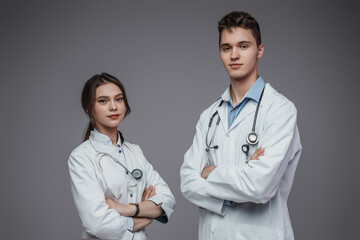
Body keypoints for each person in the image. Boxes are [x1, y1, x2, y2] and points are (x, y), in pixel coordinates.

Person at [180, 11, 302, 240]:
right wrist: (243, 176)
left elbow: (259, 186)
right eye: (226, 48)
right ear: (220, 53)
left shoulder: (280, 109)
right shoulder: (209, 116)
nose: (234, 55)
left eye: (243, 46)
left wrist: (210, 173)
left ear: (260, 50)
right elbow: (187, 182)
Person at [68, 73, 175, 240]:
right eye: (103, 101)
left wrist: (128, 209)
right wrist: (141, 219)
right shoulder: (81, 157)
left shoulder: (135, 151)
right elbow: (97, 223)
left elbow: (167, 200)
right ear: (89, 108)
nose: (113, 107)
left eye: (118, 99)